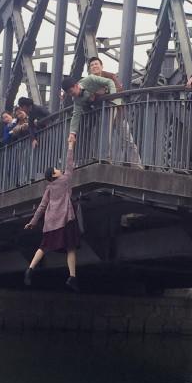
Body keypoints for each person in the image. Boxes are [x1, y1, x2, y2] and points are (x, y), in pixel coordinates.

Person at [24, 135, 80, 292]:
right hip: (65, 220)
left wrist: (33, 222)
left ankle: (30, 269)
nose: (58, 169)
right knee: (71, 247)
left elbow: (42, 206)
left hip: (50, 222)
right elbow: (70, 164)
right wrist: (70, 145)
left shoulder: (48, 188)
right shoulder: (65, 179)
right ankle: (72, 277)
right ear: (54, 175)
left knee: (43, 246)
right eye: (56, 169)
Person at [61, 74, 117, 139]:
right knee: (104, 133)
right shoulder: (76, 99)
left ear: (76, 85)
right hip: (100, 111)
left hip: (111, 105)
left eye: (71, 91)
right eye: (68, 93)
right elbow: (76, 115)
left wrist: (113, 95)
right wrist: (72, 133)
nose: (71, 94)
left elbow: (109, 81)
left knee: (110, 130)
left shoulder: (90, 79)